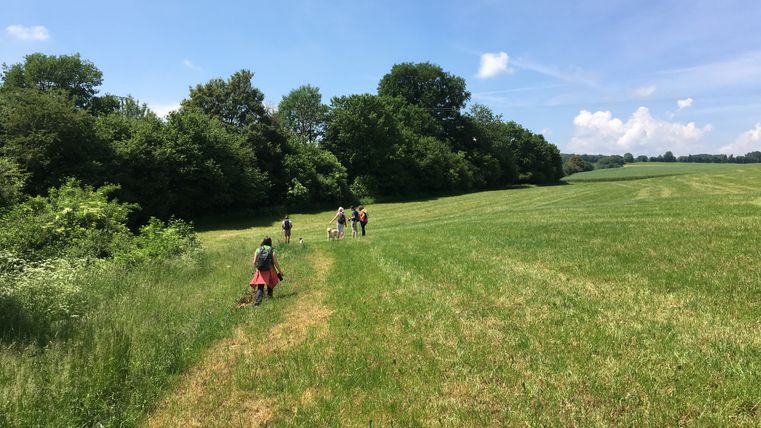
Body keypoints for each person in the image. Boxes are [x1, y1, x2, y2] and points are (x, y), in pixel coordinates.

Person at [250, 237, 284, 306]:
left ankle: (258, 302)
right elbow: (275, 262)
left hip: (261, 270)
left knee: (260, 286)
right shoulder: (272, 249)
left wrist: (257, 269)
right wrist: (280, 271)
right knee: (270, 283)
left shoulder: (258, 249)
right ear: (270, 242)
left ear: (263, 242)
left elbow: (254, 262)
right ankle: (270, 298)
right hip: (270, 269)